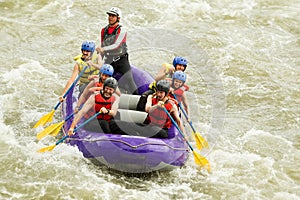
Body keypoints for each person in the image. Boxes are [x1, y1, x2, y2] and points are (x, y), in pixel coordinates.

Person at [110, 80, 186, 138]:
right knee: (128, 124)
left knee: (154, 130)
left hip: (161, 130)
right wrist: (156, 106)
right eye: (158, 92)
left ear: (166, 93)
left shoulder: (172, 105)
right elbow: (147, 109)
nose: (159, 94)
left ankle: (139, 134)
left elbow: (178, 121)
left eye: (161, 93)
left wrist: (184, 135)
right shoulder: (151, 97)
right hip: (148, 124)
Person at [96, 7, 138, 95]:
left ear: (118, 18)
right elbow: (103, 45)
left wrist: (103, 49)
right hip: (109, 60)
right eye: (109, 15)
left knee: (129, 79)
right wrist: (100, 56)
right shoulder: (104, 30)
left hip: (121, 60)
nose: (110, 17)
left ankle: (137, 100)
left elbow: (116, 45)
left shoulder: (121, 30)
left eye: (113, 16)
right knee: (104, 79)